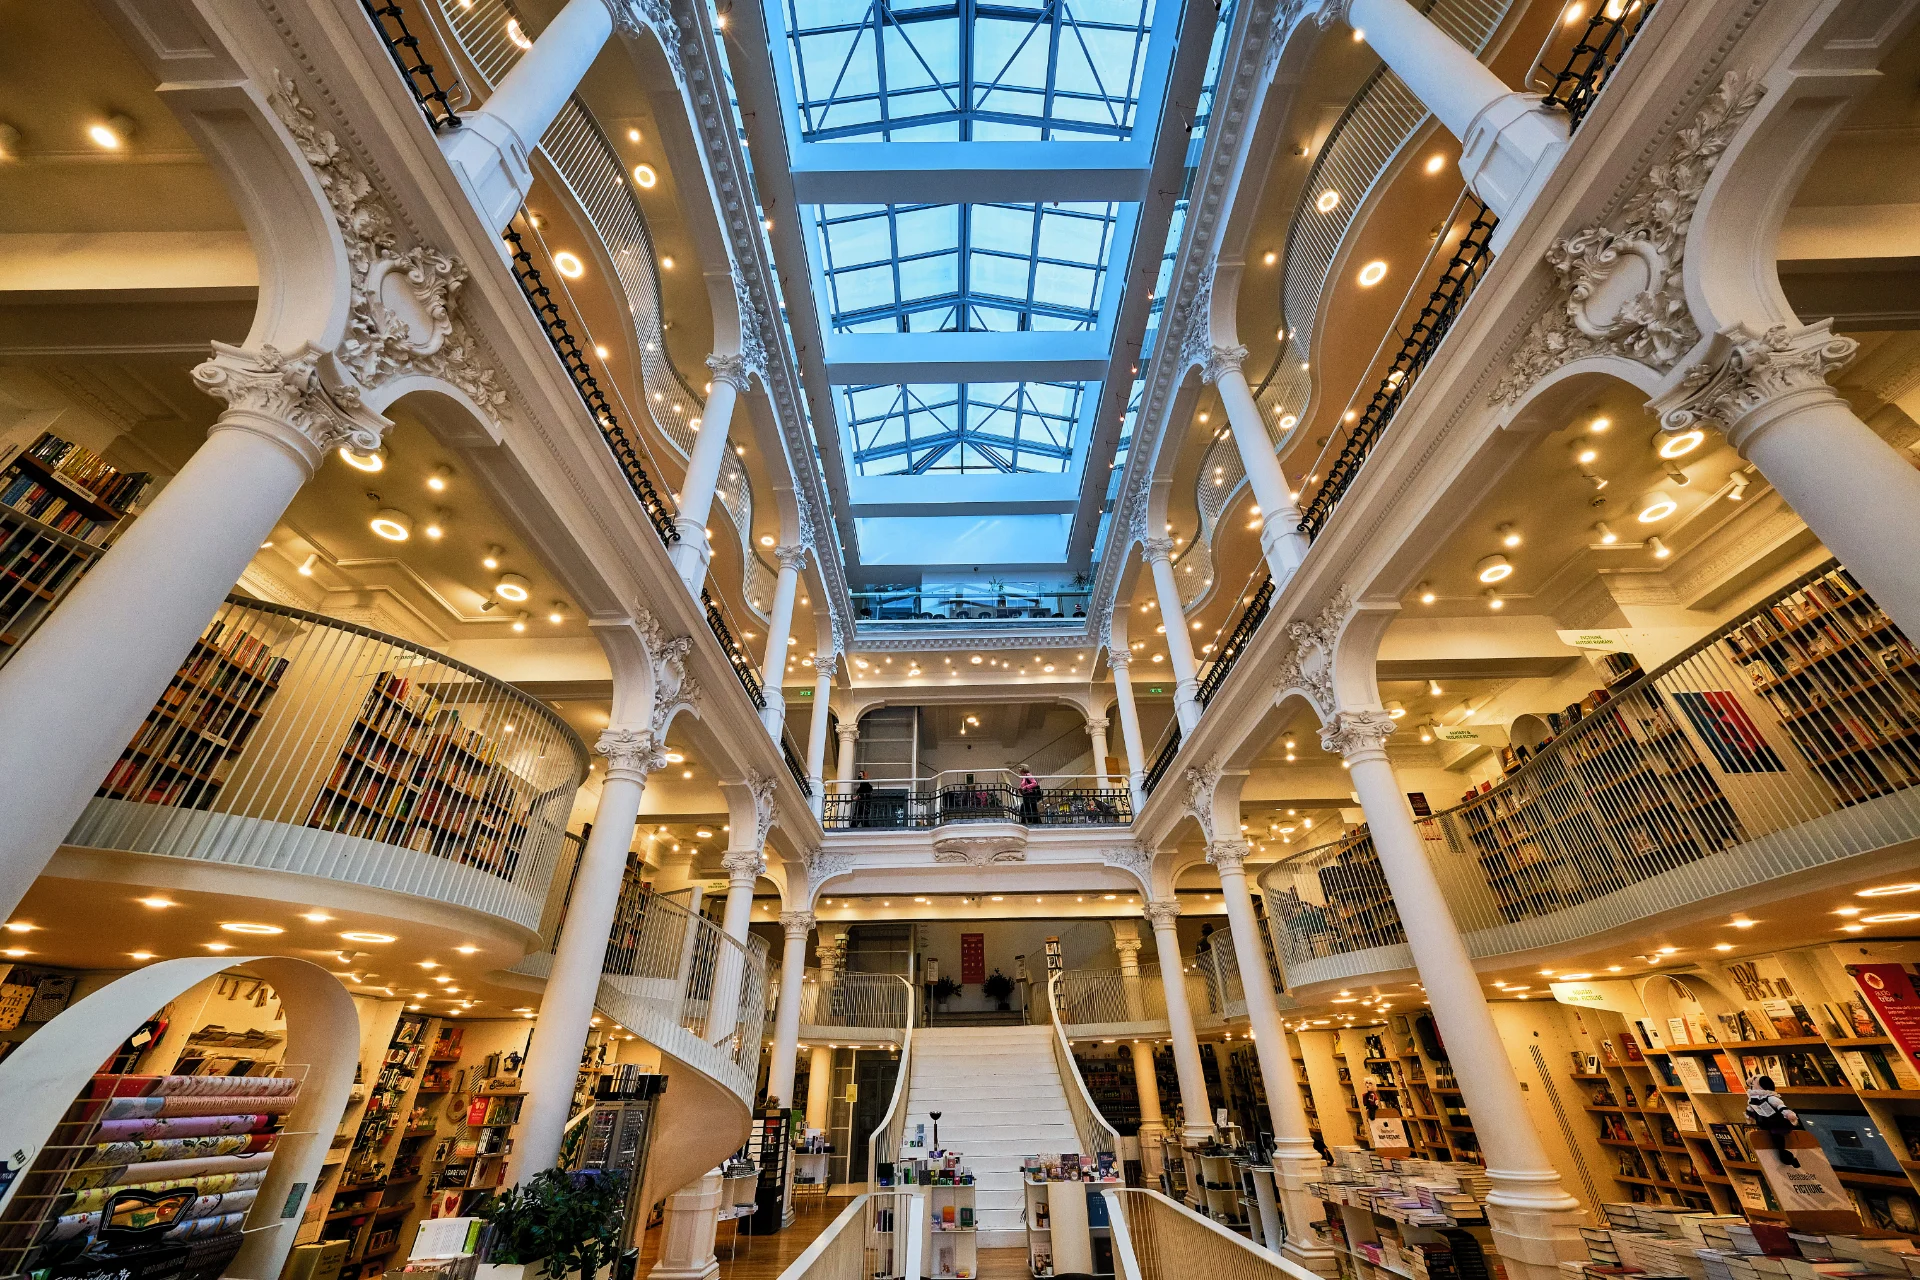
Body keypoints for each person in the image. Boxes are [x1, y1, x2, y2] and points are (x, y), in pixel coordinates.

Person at [1746, 1075, 1801, 1167]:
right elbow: (1750, 1109)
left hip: (1774, 1123)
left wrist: (1788, 1114)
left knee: (1778, 1138)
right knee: (1768, 1140)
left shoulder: (1771, 1098)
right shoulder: (1754, 1100)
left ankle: (1788, 1158)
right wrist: (1749, 1116)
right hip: (1764, 1123)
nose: (1752, 1088)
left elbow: (1780, 1106)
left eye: (1754, 1085)